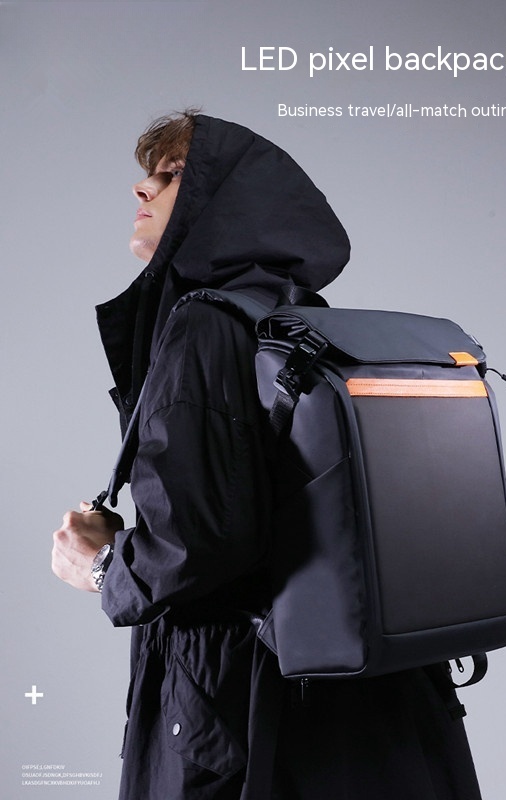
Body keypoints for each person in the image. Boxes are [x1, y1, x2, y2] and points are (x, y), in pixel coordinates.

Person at [52, 110, 483, 800]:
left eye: (172, 173)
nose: (142, 188)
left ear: (224, 201)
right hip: (367, 696)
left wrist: (104, 566)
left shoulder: (203, 324)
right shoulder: (305, 320)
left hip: (241, 707)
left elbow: (199, 542)